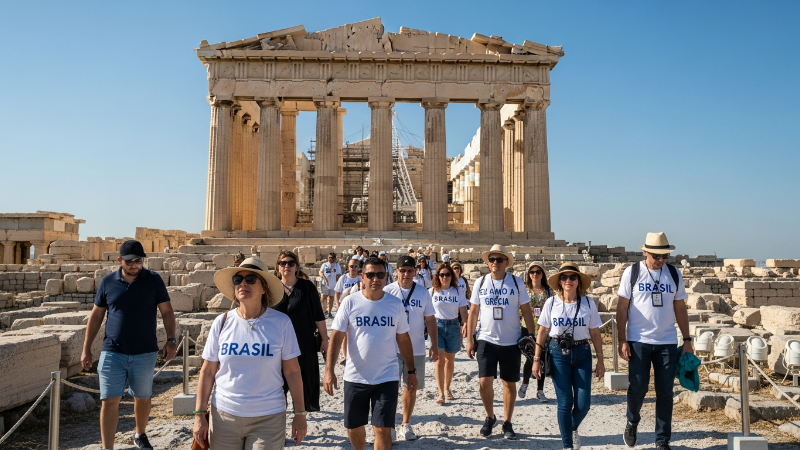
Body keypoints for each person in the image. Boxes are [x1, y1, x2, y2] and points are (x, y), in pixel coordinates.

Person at [193, 257, 307, 449]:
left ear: (264, 288)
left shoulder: (282, 323)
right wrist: (199, 415)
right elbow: (208, 371)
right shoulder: (221, 322)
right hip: (224, 416)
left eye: (251, 279)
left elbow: (293, 371)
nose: (243, 284)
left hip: (269, 416)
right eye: (238, 279)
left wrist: (300, 414)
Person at [81, 240, 177, 450]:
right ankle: (107, 447)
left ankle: (139, 434)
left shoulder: (153, 280)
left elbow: (167, 311)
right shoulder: (108, 282)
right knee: (109, 400)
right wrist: (86, 348)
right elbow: (96, 316)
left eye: (138, 261)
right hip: (112, 350)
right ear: (119, 260)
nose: (134, 265)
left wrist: (171, 340)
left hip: (145, 351)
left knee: (142, 397)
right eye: (129, 261)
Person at [324, 257, 417, 450]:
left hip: (387, 376)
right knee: (354, 427)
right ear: (362, 276)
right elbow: (337, 337)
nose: (376, 279)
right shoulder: (349, 302)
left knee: (383, 429)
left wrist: (411, 371)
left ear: (386, 277)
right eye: (371, 275)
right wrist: (329, 371)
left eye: (380, 275)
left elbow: (403, 339)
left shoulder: (395, 304)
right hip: (355, 376)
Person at [617, 232, 691, 450]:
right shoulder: (632, 272)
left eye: (665, 256)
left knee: (665, 392)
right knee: (638, 388)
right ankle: (632, 421)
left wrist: (687, 340)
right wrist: (622, 339)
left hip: (666, 341)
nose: (661, 260)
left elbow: (680, 308)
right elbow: (622, 307)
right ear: (645, 252)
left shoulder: (673, 273)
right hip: (638, 340)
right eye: (657, 256)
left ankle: (662, 440)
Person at [465, 244, 535, 440]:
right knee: (484, 381)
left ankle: (507, 421)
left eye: (499, 259)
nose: (495, 262)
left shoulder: (516, 282)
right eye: (492, 259)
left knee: (509, 383)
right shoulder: (480, 282)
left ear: (506, 262)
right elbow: (473, 312)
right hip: (486, 339)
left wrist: (531, 335)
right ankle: (490, 417)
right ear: (488, 263)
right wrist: (469, 340)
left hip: (511, 340)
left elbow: (526, 310)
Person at [533, 263, 605, 450]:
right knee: (565, 402)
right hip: (558, 353)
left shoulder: (588, 303)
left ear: (578, 281)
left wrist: (601, 360)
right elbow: (542, 331)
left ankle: (571, 427)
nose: (568, 280)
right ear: (559, 281)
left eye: (572, 277)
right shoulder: (551, 303)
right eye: (564, 277)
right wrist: (536, 359)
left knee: (583, 404)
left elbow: (595, 332)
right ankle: (567, 445)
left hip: (582, 352)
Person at [384, 255, 438, 440]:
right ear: (396, 271)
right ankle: (389, 425)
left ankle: (405, 424)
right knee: (389, 388)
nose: (406, 274)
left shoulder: (423, 292)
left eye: (409, 271)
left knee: (411, 387)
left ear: (415, 272)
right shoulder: (387, 291)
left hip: (416, 348)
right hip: (390, 348)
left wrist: (434, 345)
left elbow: (430, 320)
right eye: (402, 271)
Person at [272, 250, 329, 414]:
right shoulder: (272, 288)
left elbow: (318, 315)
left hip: (304, 343)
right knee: (278, 384)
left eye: (291, 263)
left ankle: (300, 416)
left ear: (297, 267)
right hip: (277, 344)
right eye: (283, 263)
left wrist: (324, 339)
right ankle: (278, 420)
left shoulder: (307, 286)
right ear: (278, 267)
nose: (287, 266)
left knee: (304, 383)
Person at [429, 263, 468, 405]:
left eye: (447, 274)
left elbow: (463, 310)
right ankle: (441, 393)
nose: (445, 277)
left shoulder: (457, 291)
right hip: (437, 325)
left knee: (450, 360)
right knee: (439, 360)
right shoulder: (432, 291)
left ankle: (447, 388)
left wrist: (465, 324)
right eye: (442, 275)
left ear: (452, 276)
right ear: (438, 276)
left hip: (453, 325)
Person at [519, 262, 552, 401]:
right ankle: (525, 383)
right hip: (527, 327)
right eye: (532, 272)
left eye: (538, 272)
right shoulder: (524, 289)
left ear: (542, 274)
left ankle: (540, 390)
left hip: (543, 328)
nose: (535, 274)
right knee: (530, 357)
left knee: (541, 358)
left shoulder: (549, 291)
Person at [319, 253, 342, 318]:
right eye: (329, 257)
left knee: (331, 298)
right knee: (323, 297)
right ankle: (324, 311)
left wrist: (335, 273)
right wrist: (325, 278)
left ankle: (329, 312)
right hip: (325, 284)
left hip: (333, 285)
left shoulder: (337, 266)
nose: (330, 259)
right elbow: (320, 272)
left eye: (332, 258)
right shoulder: (325, 265)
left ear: (334, 258)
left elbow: (339, 275)